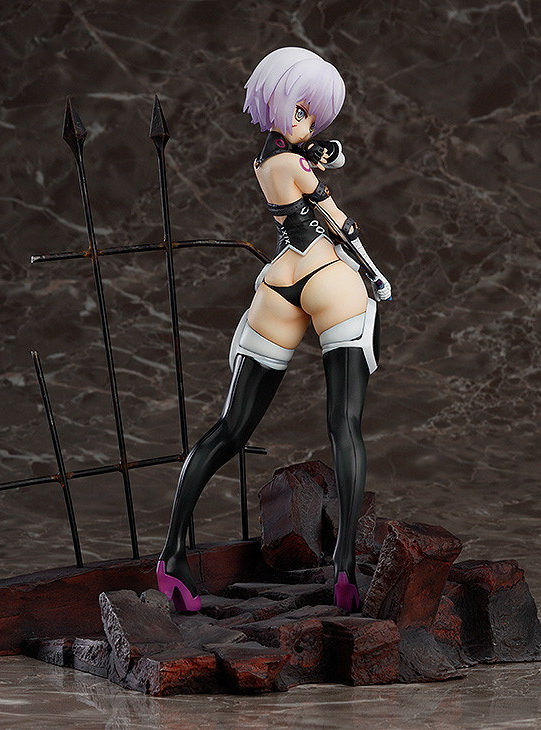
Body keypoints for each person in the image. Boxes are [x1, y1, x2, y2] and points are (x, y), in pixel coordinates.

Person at [157, 47, 392, 613]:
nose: (309, 122)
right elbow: (336, 220)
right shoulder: (296, 165)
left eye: (313, 114)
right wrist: (373, 273)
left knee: (231, 429)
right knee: (344, 425)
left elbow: (319, 161)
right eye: (302, 110)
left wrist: (320, 152)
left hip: (279, 284)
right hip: (327, 275)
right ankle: (343, 568)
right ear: (280, 103)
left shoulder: (268, 160)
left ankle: (171, 556)